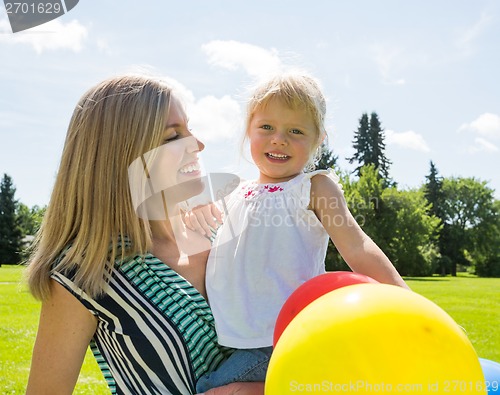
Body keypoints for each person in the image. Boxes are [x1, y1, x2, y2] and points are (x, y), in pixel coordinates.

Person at [25, 74, 264, 395]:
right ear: (122, 156)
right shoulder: (84, 274)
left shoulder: (223, 229)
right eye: (172, 137)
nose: (199, 145)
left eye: (189, 129)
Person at [194, 72, 410, 393]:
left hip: (281, 336)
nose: (278, 139)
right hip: (231, 337)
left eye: (295, 131)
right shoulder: (233, 192)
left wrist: (408, 304)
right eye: (266, 127)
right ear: (248, 130)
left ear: (318, 138)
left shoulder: (312, 187)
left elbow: (358, 246)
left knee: (208, 388)